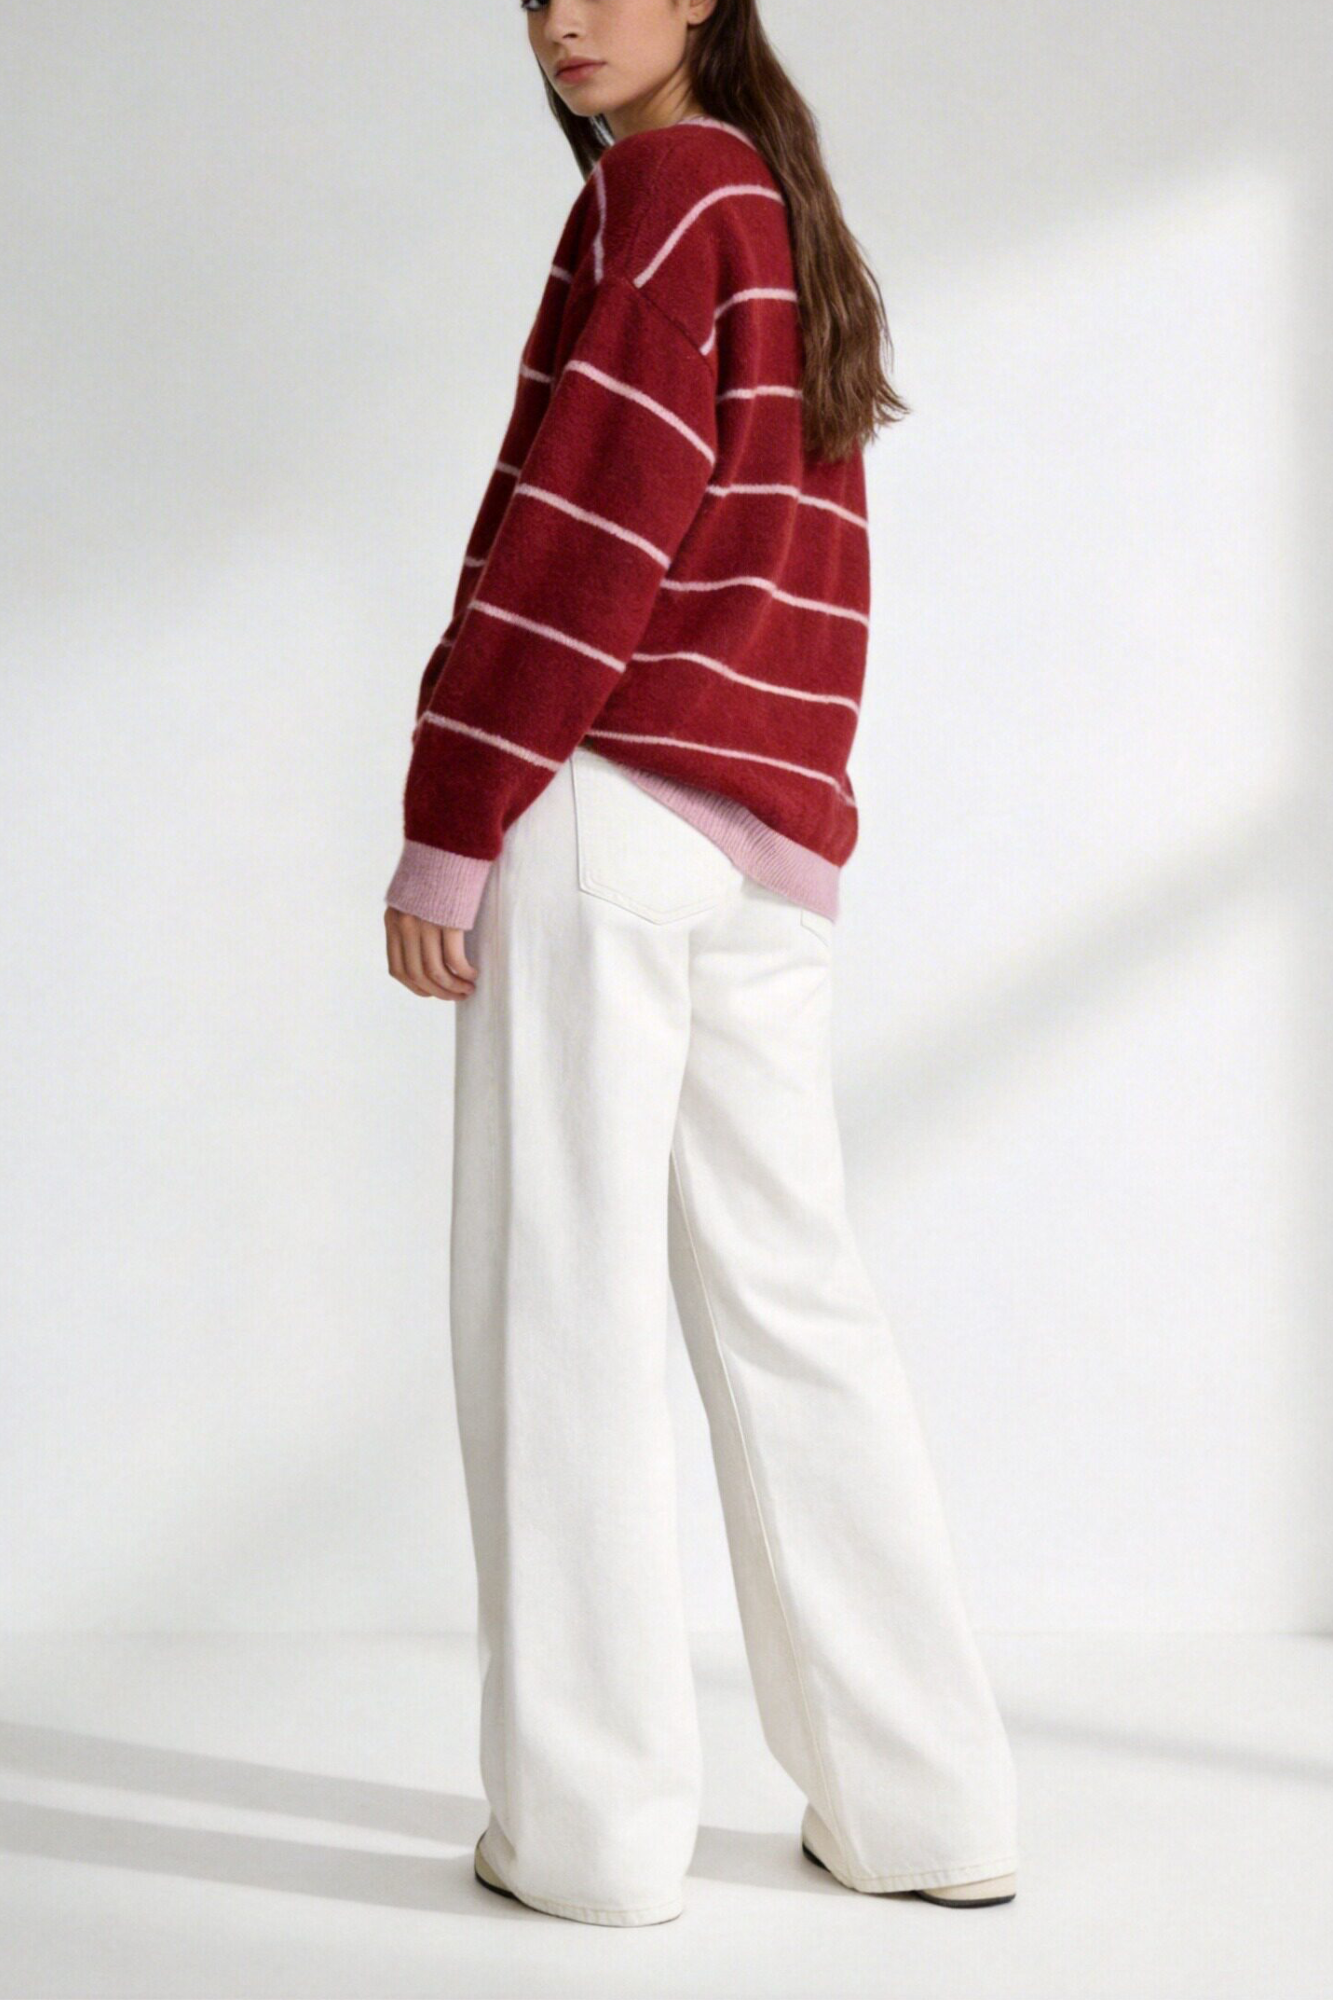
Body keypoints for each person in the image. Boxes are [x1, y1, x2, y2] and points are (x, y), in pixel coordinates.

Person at [383, 0, 1018, 1928]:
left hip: (603, 813)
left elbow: (581, 529)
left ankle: (585, 1838)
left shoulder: (662, 193)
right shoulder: (783, 211)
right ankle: (926, 1806)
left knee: (560, 1304)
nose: (563, 21)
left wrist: (455, 807)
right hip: (760, 847)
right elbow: (802, 568)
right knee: (791, 1309)